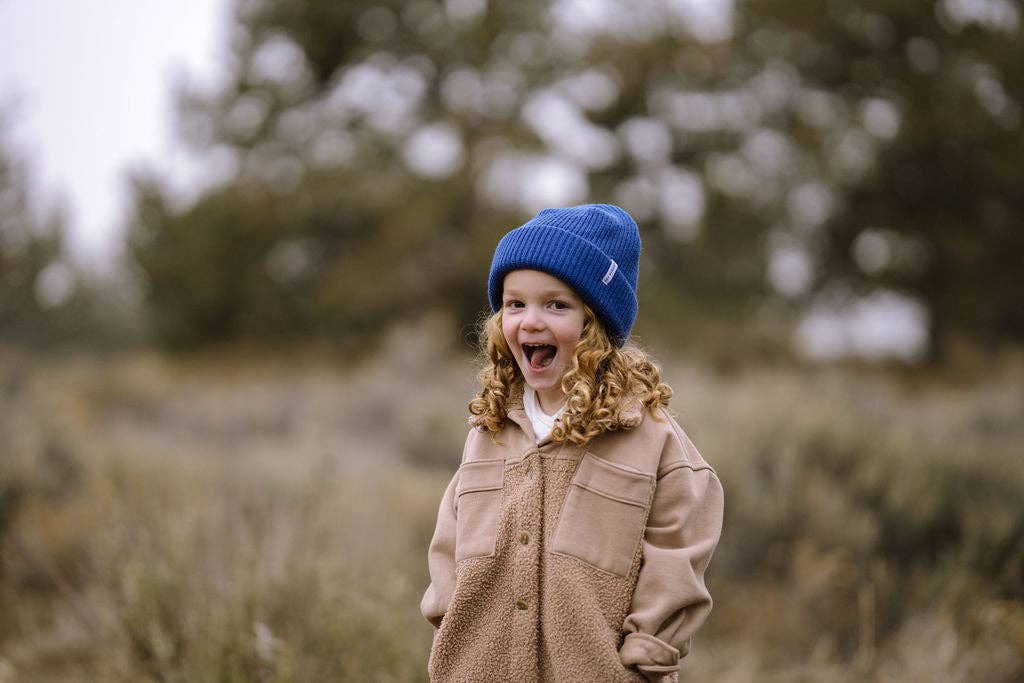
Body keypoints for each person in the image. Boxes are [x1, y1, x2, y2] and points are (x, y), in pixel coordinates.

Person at [420, 204, 724, 682]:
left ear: (595, 324)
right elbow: (449, 543)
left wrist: (646, 654)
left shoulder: (647, 438)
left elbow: (680, 546)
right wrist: (451, 624)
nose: (530, 321)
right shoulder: (489, 431)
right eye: (514, 304)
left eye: (556, 305)